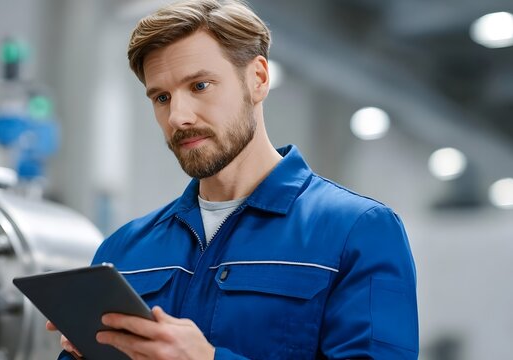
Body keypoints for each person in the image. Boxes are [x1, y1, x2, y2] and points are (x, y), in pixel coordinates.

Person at [48, 0, 419, 359]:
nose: (178, 116)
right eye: (161, 97)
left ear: (257, 79)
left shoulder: (357, 231)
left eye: (199, 86)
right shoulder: (123, 251)